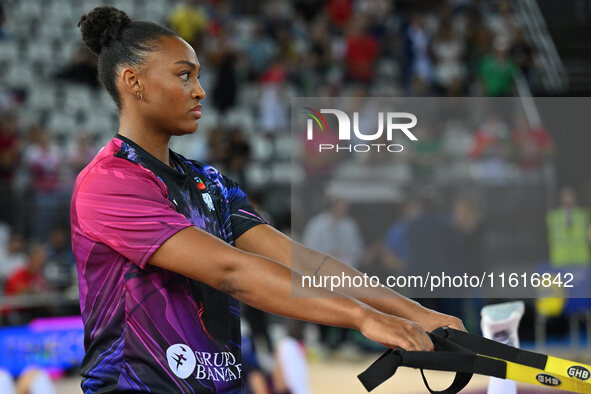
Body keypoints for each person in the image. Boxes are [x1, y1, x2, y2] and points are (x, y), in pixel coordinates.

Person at [71, 7, 465, 393]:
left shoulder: (209, 181)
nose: (200, 90)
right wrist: (363, 317)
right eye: (184, 75)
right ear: (133, 81)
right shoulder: (109, 182)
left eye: (198, 76)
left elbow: (302, 260)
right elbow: (231, 271)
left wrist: (418, 314)